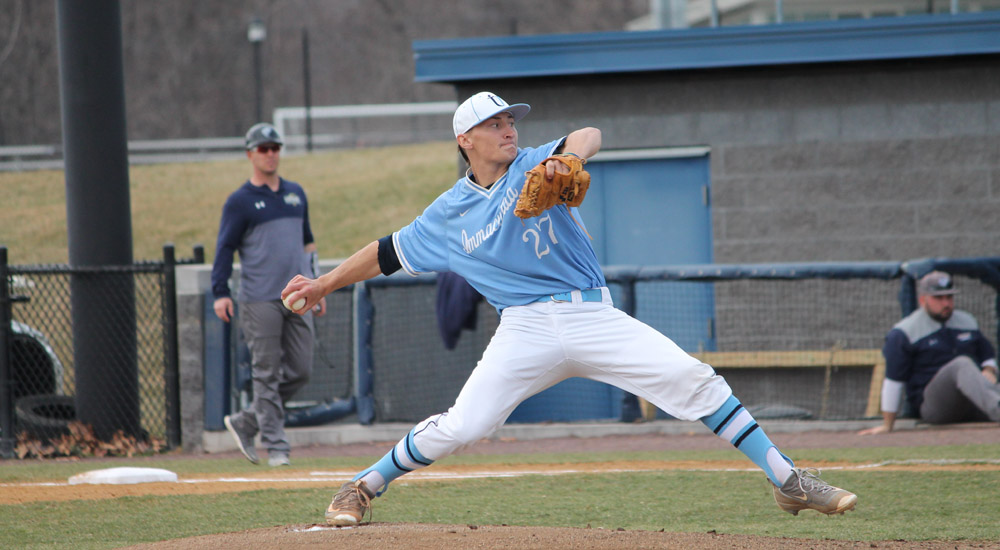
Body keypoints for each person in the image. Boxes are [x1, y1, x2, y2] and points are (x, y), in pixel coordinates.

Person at [281, 91, 857, 525]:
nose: (508, 129)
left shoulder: (537, 161)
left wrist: (567, 161)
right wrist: (323, 284)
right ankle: (361, 486)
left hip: (589, 314)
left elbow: (588, 132)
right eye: (494, 123)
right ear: (466, 141)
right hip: (524, 329)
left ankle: (788, 479)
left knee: (693, 380)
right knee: (466, 424)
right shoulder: (448, 212)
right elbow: (386, 253)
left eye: (510, 120)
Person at [213, 122, 327, 467]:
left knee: (301, 369)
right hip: (259, 297)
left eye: (275, 147)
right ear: (250, 154)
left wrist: (318, 284)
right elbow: (224, 249)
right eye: (263, 149)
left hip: (296, 296)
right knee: (266, 372)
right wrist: (220, 292)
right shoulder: (240, 201)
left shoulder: (296, 194)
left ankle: (247, 421)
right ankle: (277, 447)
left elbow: (308, 243)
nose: (270, 154)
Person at [859, 271, 999, 435]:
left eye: (949, 297)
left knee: (971, 370)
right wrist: (887, 425)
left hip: (974, 401)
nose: (945, 303)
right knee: (962, 364)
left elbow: (987, 354)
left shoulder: (967, 321)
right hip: (935, 407)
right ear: (923, 299)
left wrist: (989, 370)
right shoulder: (904, 332)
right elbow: (893, 381)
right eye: (938, 298)